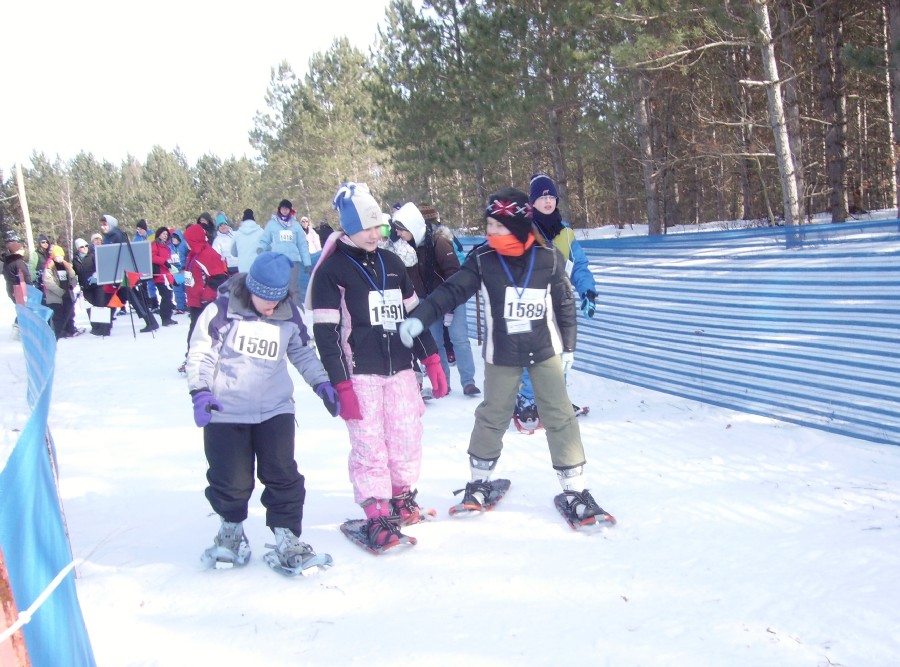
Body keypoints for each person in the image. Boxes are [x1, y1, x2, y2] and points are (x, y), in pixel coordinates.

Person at [397, 186, 613, 527]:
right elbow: (451, 290)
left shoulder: (548, 257)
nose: (490, 231)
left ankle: (575, 490)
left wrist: (569, 347)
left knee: (559, 416)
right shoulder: (483, 259)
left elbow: (564, 304)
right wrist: (421, 316)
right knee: (492, 415)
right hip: (502, 353)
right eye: (488, 225)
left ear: (516, 225)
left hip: (544, 350)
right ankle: (478, 483)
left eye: (497, 225)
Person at [308, 182, 448, 551]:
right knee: (369, 444)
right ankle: (377, 512)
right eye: (366, 228)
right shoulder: (332, 271)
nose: (374, 234)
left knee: (406, 435)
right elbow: (326, 334)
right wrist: (341, 384)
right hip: (360, 372)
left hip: (400, 368)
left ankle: (401, 496)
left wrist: (431, 357)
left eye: (378, 227)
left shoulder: (393, 263)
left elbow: (414, 316)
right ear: (349, 228)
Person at [186, 251, 339, 573]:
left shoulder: (289, 314)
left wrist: (322, 383)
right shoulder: (221, 311)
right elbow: (200, 354)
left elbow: (302, 352)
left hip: (274, 409)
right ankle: (231, 533)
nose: (271, 308)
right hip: (226, 410)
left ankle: (287, 537)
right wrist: (200, 393)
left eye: (277, 301)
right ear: (251, 289)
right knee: (230, 478)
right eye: (266, 302)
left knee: (283, 474)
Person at [514, 173, 598, 427]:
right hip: (531, 304)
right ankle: (527, 400)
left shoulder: (565, 233)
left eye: (551, 196)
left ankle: (556, 400)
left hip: (560, 303)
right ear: (533, 202)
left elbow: (579, 266)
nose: (548, 201)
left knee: (562, 353)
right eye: (542, 197)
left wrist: (588, 291)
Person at [407, 203, 480, 397]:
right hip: (428, 301)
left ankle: (468, 382)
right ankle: (444, 383)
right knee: (436, 343)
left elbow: (454, 273)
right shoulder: (408, 248)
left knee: (459, 339)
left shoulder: (439, 242)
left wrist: (451, 305)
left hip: (451, 298)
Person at [178, 223, 228, 373]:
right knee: (195, 331)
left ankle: (207, 360)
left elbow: (219, 279)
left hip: (205, 302)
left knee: (205, 332)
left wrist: (206, 296)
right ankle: (191, 359)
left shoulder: (208, 255)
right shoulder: (193, 254)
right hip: (195, 301)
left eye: (188, 240)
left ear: (194, 239)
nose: (186, 243)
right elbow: (192, 275)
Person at [258, 199, 311, 306]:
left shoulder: (296, 225)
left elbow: (302, 245)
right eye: (283, 208)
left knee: (293, 286)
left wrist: (307, 263)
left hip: (293, 260)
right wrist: (261, 248)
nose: (285, 210)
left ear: (290, 210)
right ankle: (281, 307)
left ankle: (296, 308)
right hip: (278, 259)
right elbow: (265, 240)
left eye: (287, 209)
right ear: (279, 209)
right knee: (279, 285)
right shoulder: (272, 224)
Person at [43, 245, 79, 339]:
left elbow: (73, 277)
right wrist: (60, 292)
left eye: (61, 256)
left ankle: (70, 329)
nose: (59, 258)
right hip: (55, 296)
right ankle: (60, 332)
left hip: (67, 294)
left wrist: (70, 270)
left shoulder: (66, 266)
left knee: (69, 313)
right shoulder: (50, 267)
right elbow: (48, 282)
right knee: (58, 315)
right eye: (57, 256)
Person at [73, 238, 103, 333]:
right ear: (78, 248)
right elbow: (75, 272)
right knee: (89, 306)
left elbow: (100, 267)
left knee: (99, 305)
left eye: (86, 245)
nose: (85, 248)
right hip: (85, 286)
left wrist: (95, 276)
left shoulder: (93, 255)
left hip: (97, 284)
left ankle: (102, 327)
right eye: (82, 247)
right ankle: (95, 327)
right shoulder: (75, 259)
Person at [2, 239, 31, 337]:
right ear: (16, 251)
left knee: (21, 308)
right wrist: (30, 286)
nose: (23, 250)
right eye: (21, 249)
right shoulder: (18, 261)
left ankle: (17, 328)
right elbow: (26, 276)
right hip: (19, 289)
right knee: (24, 309)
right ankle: (19, 330)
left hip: (11, 288)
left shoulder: (7, 261)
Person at [151, 227, 178, 326]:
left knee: (169, 296)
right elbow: (153, 257)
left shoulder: (166, 246)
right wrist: (164, 262)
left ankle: (168, 317)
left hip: (167, 275)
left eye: (166, 234)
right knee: (165, 296)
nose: (165, 236)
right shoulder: (155, 244)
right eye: (163, 234)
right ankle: (165, 318)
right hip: (159, 275)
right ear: (159, 234)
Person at [231, 209, 263, 274]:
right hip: (258, 270)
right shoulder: (261, 232)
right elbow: (268, 249)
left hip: (243, 270)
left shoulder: (237, 234)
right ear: (253, 219)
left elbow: (233, 253)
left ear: (243, 219)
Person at [169, 230, 188, 314]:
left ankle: (191, 305)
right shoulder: (171, 247)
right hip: (176, 271)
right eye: (172, 238)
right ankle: (180, 306)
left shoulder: (184, 245)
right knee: (178, 290)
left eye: (175, 238)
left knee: (188, 289)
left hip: (185, 270)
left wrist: (185, 267)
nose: (173, 239)